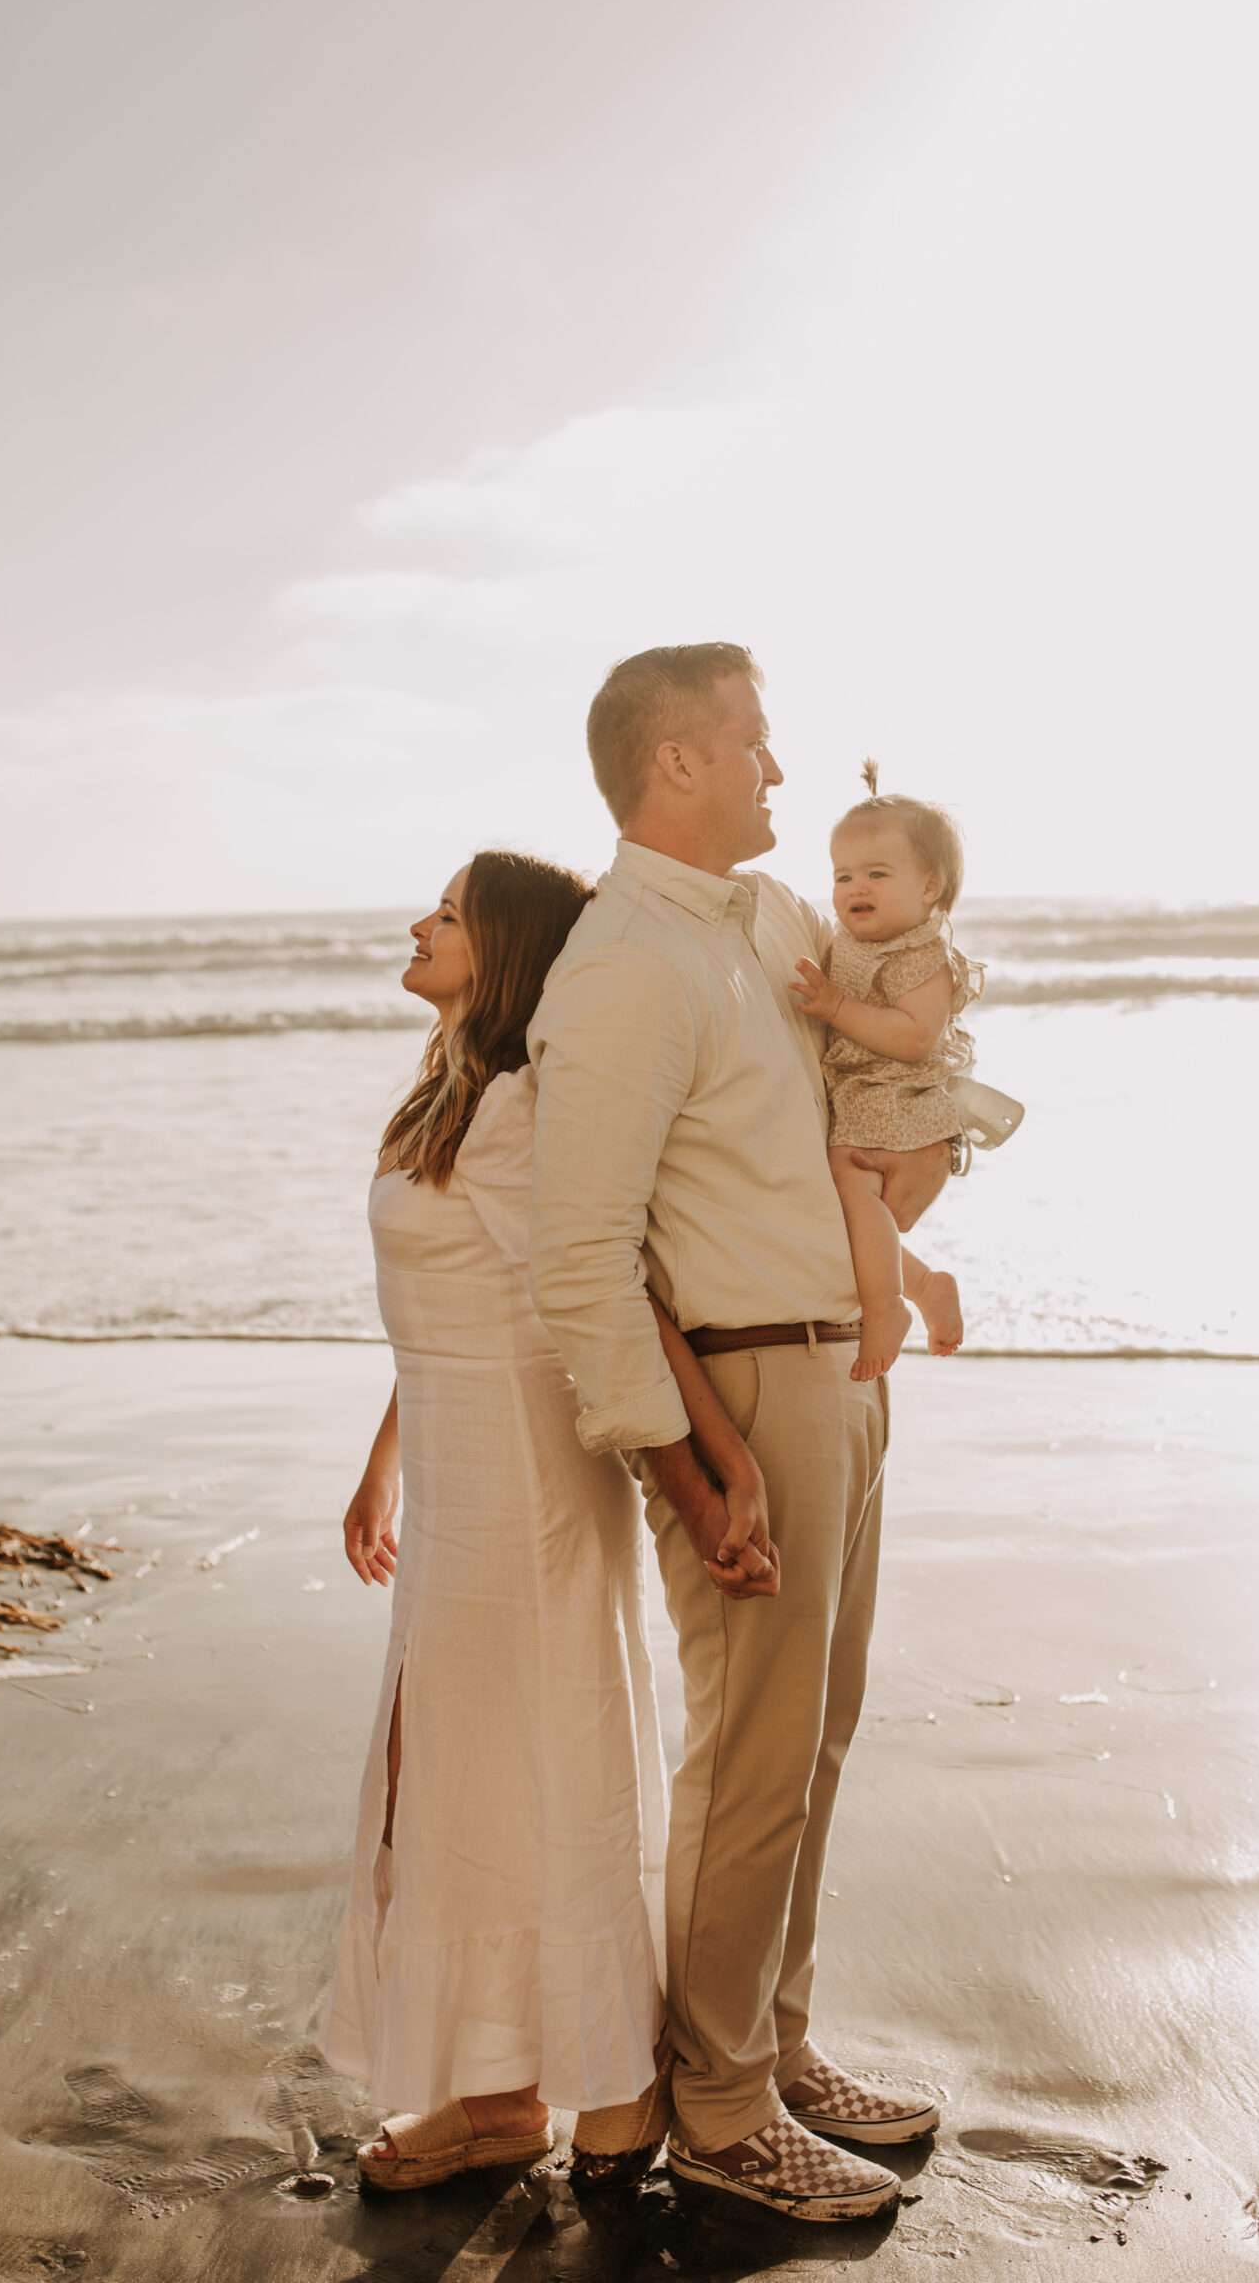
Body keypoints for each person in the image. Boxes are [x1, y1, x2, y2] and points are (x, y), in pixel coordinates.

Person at [527, 645, 943, 2225]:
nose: (779, 774)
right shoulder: (622, 962)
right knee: (749, 1757)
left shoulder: (766, 923)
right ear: (676, 764)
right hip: (745, 1393)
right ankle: (712, 2109)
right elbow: (581, 1253)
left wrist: (906, 1259)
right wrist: (685, 1466)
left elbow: (825, 1125)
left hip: (839, 1369)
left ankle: (769, 2043)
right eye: (755, 746)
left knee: (814, 1739)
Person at [321, 849, 774, 2195]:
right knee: (458, 1768)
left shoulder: (521, 1107)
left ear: (502, 952)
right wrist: (380, 1462)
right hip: (455, 1463)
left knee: (504, 1770)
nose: (417, 922)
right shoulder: (449, 1097)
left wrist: (706, 1475)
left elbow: (605, 1297)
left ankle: (554, 2095)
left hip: (523, 1489)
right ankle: (501, 2093)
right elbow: (444, 1305)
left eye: (448, 915)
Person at [787, 765, 980, 1378]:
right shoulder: (853, 942)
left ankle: (885, 1305)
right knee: (850, 1214)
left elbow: (918, 1036)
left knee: (848, 1190)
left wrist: (837, 1007)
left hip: (899, 1097)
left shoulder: (924, 954)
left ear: (929, 887)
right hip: (872, 1098)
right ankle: (922, 1287)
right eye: (843, 875)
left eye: (875, 873)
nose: (853, 888)